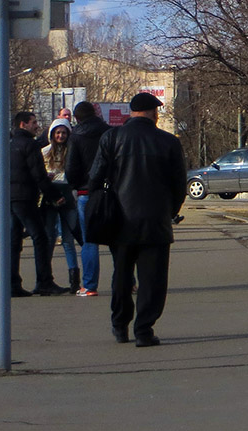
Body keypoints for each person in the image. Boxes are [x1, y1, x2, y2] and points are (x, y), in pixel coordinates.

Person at [87, 92, 186, 347]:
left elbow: (95, 177)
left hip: (119, 219)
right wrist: (170, 211)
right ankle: (144, 329)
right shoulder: (168, 142)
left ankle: (120, 325)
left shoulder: (112, 137)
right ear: (154, 113)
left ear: (131, 112)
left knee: (121, 275)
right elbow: (178, 185)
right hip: (156, 220)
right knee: (152, 279)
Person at [10, 111, 70, 296]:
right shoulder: (30, 145)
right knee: (41, 237)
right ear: (23, 124)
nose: (37, 125)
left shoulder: (9, 143)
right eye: (33, 122)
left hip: (9, 196)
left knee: (13, 240)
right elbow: (38, 174)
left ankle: (12, 283)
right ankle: (44, 281)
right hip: (25, 197)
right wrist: (54, 195)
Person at [64, 100, 108, 297]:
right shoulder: (109, 132)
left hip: (85, 192)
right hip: (110, 191)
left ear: (76, 118)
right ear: (95, 113)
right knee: (116, 237)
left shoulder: (76, 136)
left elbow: (71, 167)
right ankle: (128, 282)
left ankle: (89, 286)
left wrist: (75, 185)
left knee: (89, 240)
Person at [42, 121, 81, 292]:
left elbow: (74, 174)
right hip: (51, 199)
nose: (60, 136)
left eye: (63, 133)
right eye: (57, 133)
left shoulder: (72, 152)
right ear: (51, 134)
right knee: (49, 238)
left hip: (68, 198)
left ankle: (74, 281)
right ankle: (46, 277)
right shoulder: (44, 152)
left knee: (68, 240)